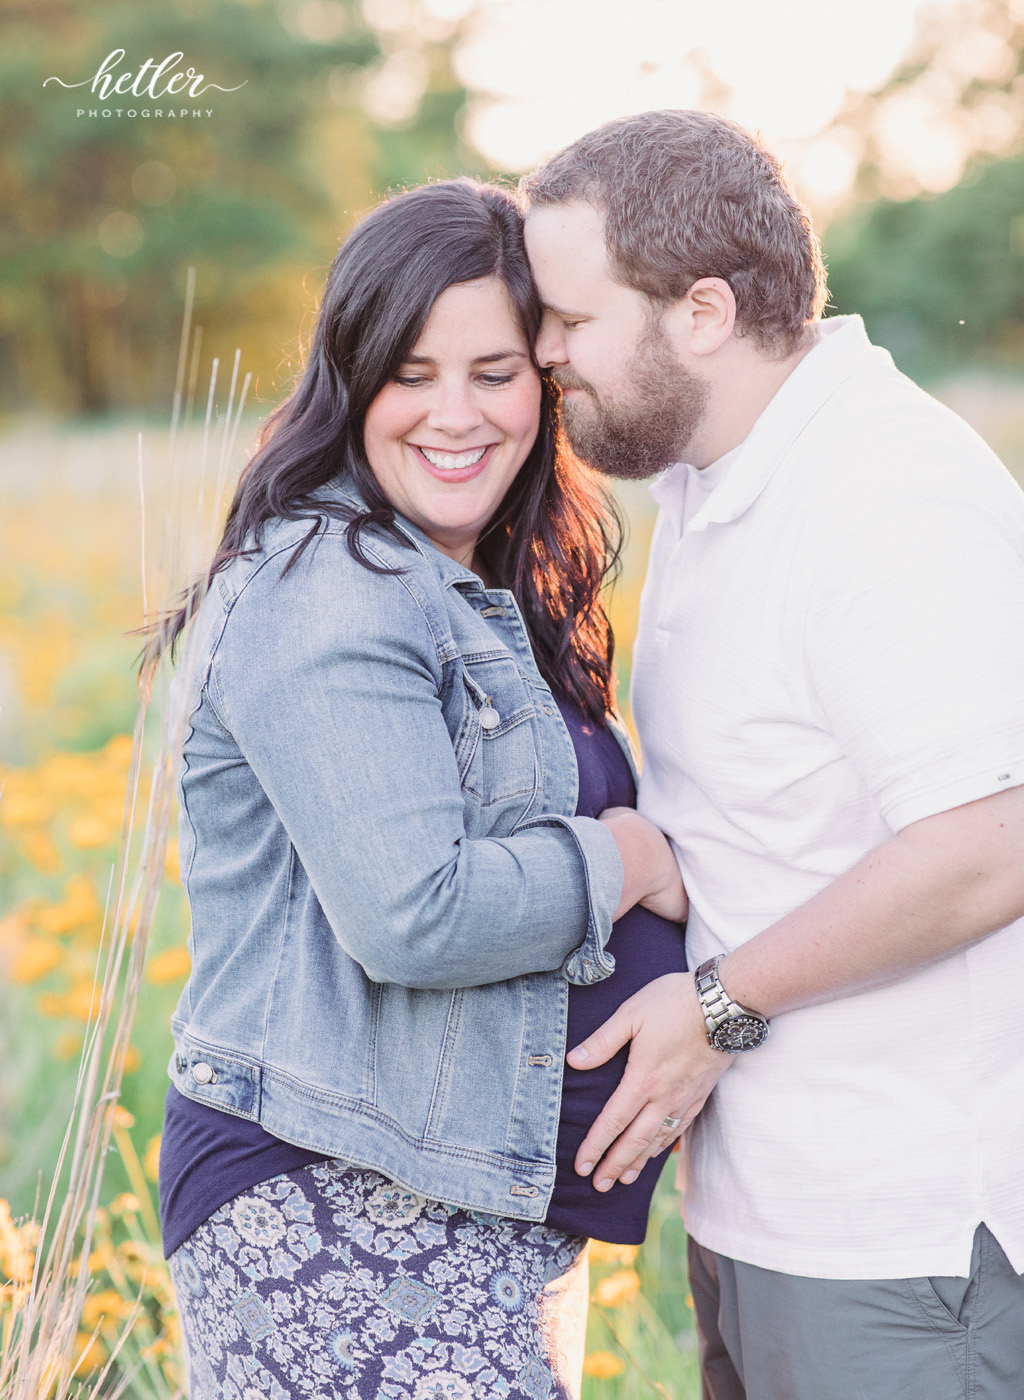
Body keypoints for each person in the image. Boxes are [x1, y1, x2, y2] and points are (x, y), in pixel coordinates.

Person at [153, 178, 688, 1400]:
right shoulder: (328, 585)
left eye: (494, 371)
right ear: (352, 381)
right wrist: (632, 861)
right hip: (336, 1195)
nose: (456, 413)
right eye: (412, 371)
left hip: (471, 1202)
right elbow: (415, 910)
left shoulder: (475, 581)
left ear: (544, 381)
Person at [521, 110, 1024, 1400]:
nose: (542, 352)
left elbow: (990, 842)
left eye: (570, 320)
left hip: (903, 1246)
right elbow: (789, 808)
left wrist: (719, 1000)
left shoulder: (880, 496)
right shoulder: (715, 475)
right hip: (767, 1209)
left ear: (700, 311)